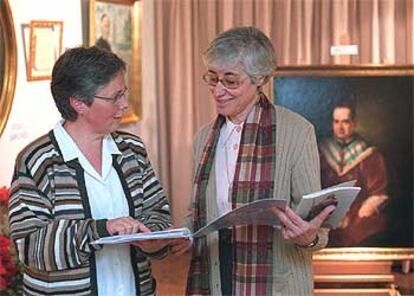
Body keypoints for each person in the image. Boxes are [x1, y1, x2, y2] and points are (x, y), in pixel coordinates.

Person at [8, 46, 187, 295]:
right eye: (115, 97)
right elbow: (31, 247)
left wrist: (153, 239)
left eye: (124, 93)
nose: (125, 104)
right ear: (79, 103)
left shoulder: (132, 149)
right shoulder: (37, 161)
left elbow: (157, 213)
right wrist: (102, 229)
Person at [178, 26, 335, 296]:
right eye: (212, 78)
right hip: (215, 274)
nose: (218, 91)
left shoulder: (297, 131)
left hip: (275, 283)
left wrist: (310, 237)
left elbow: (315, 223)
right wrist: (178, 237)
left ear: (260, 78)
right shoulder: (204, 137)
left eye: (231, 81)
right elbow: (196, 213)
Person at [319, 101, 389, 247]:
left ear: (354, 124)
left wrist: (367, 208)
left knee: (370, 227)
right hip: (325, 211)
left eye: (345, 122)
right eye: (336, 122)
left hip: (356, 213)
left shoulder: (368, 154)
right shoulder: (321, 151)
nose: (340, 127)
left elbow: (378, 192)